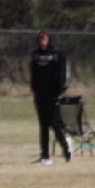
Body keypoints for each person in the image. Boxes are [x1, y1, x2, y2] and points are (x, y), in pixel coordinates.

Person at [29, 30, 72, 164]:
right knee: (43, 125)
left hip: (53, 95)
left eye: (45, 40)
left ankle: (66, 149)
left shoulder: (58, 54)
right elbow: (33, 74)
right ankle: (45, 156)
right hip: (40, 95)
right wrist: (34, 89)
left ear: (49, 40)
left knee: (54, 124)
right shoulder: (35, 55)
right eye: (40, 40)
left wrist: (59, 91)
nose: (42, 42)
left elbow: (63, 75)